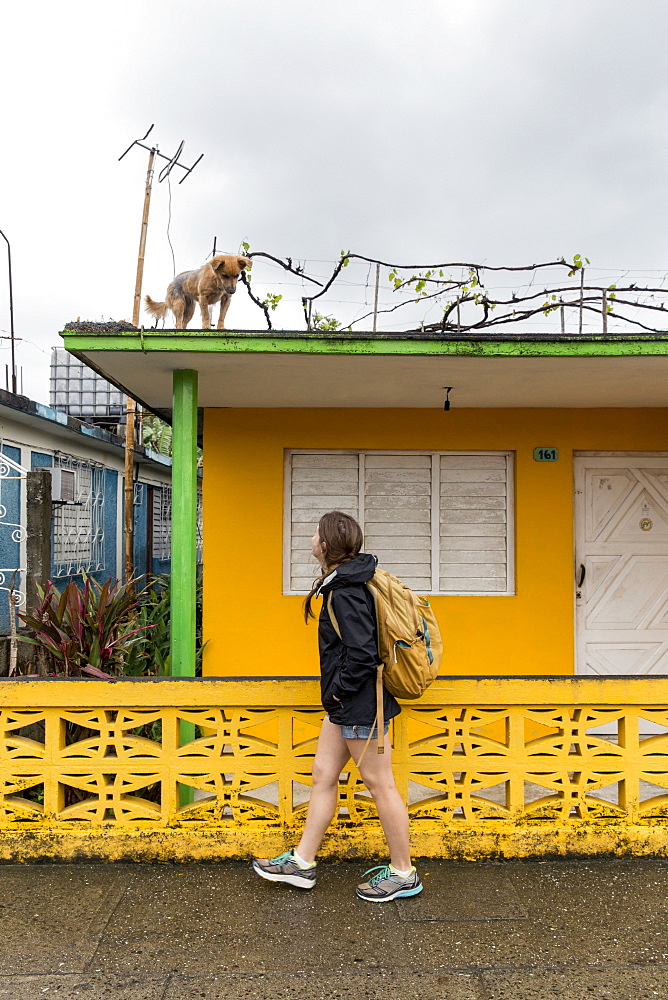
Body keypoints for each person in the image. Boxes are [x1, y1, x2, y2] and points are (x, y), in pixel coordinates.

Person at [252, 510, 422, 902]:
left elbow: (362, 654)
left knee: (381, 785)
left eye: (315, 534)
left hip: (360, 704)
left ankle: (403, 873)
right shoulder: (342, 583)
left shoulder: (346, 591)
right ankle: (302, 863)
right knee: (322, 773)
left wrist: (338, 693)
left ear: (325, 546)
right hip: (346, 704)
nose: (311, 539)